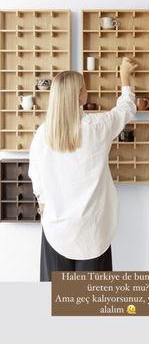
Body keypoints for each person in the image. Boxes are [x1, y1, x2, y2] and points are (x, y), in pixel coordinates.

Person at [28, 57, 138, 281]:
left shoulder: (43, 134)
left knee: (54, 302)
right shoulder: (97, 127)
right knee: (90, 304)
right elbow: (125, 110)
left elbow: (36, 177)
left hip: (56, 229)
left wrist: (44, 204)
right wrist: (125, 78)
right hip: (91, 231)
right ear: (79, 95)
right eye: (84, 88)